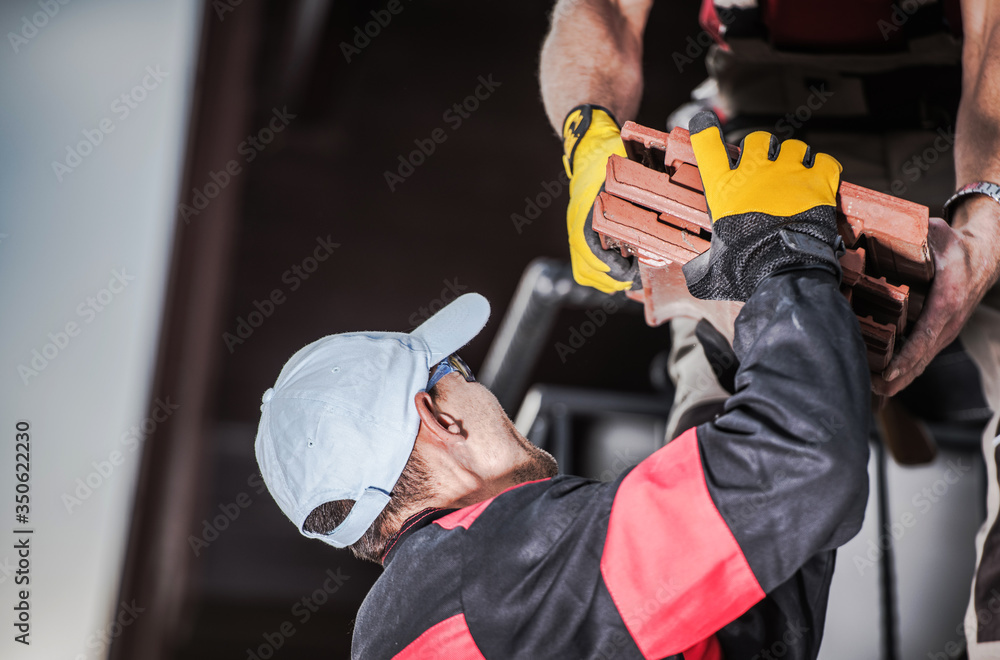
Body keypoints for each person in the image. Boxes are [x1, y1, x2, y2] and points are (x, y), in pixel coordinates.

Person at [255, 116, 872, 658]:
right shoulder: (493, 569)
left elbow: (738, 602)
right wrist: (780, 255)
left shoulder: (413, 626)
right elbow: (805, 465)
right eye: (459, 373)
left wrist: (741, 361)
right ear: (440, 419)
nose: (483, 389)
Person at [539, 1, 1000, 651]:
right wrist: (588, 138)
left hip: (961, 131)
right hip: (767, 142)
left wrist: (989, 212)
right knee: (729, 416)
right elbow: (603, 10)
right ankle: (713, 646)